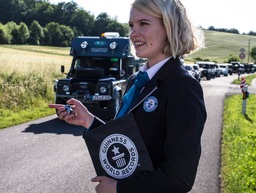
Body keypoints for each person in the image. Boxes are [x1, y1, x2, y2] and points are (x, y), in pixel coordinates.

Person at [49, 0, 207, 192]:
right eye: (131, 26)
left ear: (169, 26)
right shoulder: (136, 81)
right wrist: (89, 121)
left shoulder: (183, 87)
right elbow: (128, 142)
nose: (133, 34)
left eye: (144, 23)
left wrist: (119, 189)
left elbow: (179, 178)